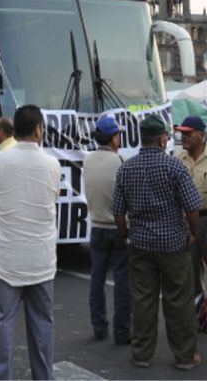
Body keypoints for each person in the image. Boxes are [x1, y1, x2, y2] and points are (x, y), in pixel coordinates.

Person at [112, 114, 202, 371]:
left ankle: (141, 354)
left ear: (143, 139)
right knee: (178, 300)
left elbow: (118, 212)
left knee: (142, 300)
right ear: (163, 140)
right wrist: (194, 232)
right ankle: (185, 356)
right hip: (173, 245)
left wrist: (125, 233)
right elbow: (192, 207)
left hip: (140, 245)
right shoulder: (175, 167)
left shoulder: (126, 168)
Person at [0, 105, 61, 380]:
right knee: (42, 324)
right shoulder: (52, 164)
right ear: (39, 129)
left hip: (6, 256)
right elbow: (53, 197)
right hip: (40, 258)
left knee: (3, 322)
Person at [83, 116, 131, 345]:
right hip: (118, 228)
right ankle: (122, 332)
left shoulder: (87, 160)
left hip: (97, 227)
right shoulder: (119, 160)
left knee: (97, 280)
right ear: (113, 138)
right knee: (122, 281)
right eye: (118, 134)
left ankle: (98, 328)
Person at [175, 115, 207, 297]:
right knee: (191, 273)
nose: (183, 138)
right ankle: (198, 315)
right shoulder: (178, 159)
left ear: (201, 135)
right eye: (182, 134)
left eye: (188, 134)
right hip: (188, 222)